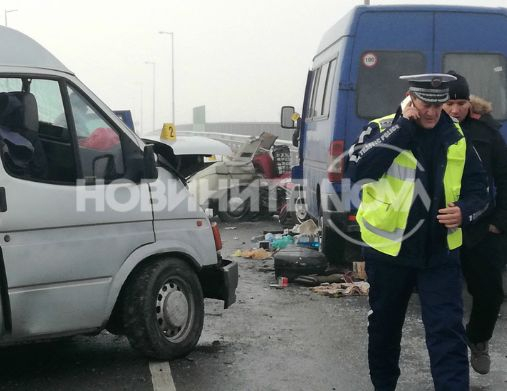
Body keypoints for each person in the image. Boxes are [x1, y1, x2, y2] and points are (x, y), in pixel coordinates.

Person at [346, 74, 489, 390]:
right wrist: (403, 128)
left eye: (439, 105)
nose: (433, 112)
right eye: (426, 104)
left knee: (447, 332)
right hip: (389, 251)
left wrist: (465, 211)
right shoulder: (382, 128)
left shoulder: (455, 135)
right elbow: (357, 171)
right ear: (410, 98)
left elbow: (481, 188)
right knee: (385, 328)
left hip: (439, 253)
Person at [443, 71, 507, 375]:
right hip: (443, 226)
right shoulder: (429, 128)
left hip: (483, 229)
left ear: (470, 103)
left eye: (461, 103)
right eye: (449, 103)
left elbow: (505, 178)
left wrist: (499, 222)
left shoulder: (487, 132)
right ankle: (451, 355)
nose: (455, 110)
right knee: (444, 296)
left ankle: (478, 339)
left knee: (490, 292)